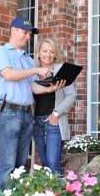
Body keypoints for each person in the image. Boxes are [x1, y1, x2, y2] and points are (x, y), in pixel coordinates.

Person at [0, 17, 65, 191]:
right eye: (25, 33)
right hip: (9, 112)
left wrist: (51, 88)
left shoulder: (28, 60)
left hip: (26, 114)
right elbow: (9, 75)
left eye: (30, 34)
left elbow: (32, 87)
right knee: (8, 161)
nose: (27, 37)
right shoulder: (0, 52)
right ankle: (4, 194)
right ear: (13, 30)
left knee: (21, 164)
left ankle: (16, 194)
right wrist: (37, 70)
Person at [31, 38, 76, 174]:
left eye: (51, 52)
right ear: (38, 53)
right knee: (45, 164)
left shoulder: (62, 70)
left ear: (55, 54)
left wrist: (56, 113)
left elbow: (71, 96)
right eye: (44, 51)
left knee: (53, 163)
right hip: (37, 122)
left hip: (54, 122)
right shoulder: (33, 72)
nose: (48, 55)